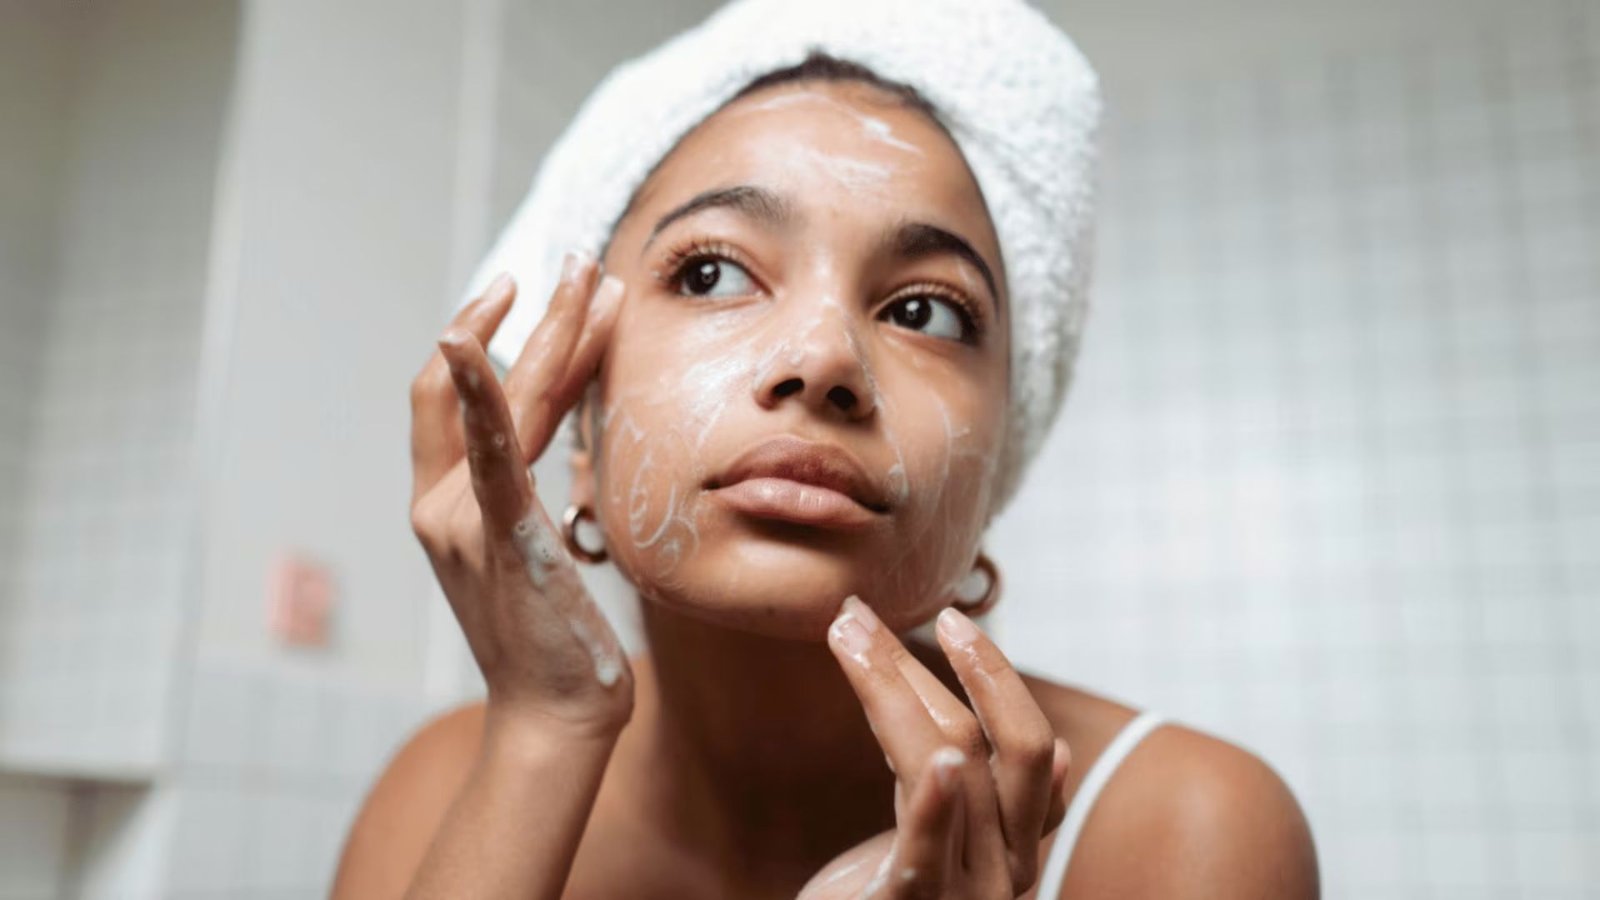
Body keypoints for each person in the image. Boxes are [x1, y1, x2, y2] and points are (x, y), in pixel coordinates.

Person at [332, 3, 1319, 897]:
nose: (823, 358)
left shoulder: (1182, 832)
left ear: (995, 468)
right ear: (576, 420)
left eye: (924, 308)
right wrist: (542, 733)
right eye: (713, 272)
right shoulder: (445, 789)